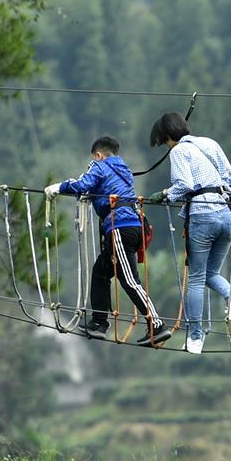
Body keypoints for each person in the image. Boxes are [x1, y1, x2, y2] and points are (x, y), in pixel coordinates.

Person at [45, 136, 170, 346]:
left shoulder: (99, 166)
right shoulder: (125, 171)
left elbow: (83, 184)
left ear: (98, 155)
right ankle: (99, 323)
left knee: (130, 280)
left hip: (120, 226)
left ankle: (157, 325)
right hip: (130, 225)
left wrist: (59, 187)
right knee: (101, 272)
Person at [149, 112, 231, 355]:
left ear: (169, 136)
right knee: (210, 273)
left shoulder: (179, 151)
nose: (167, 146)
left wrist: (165, 194)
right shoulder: (210, 143)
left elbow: (184, 185)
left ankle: (194, 336)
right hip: (225, 215)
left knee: (195, 279)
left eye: (165, 142)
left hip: (202, 216)